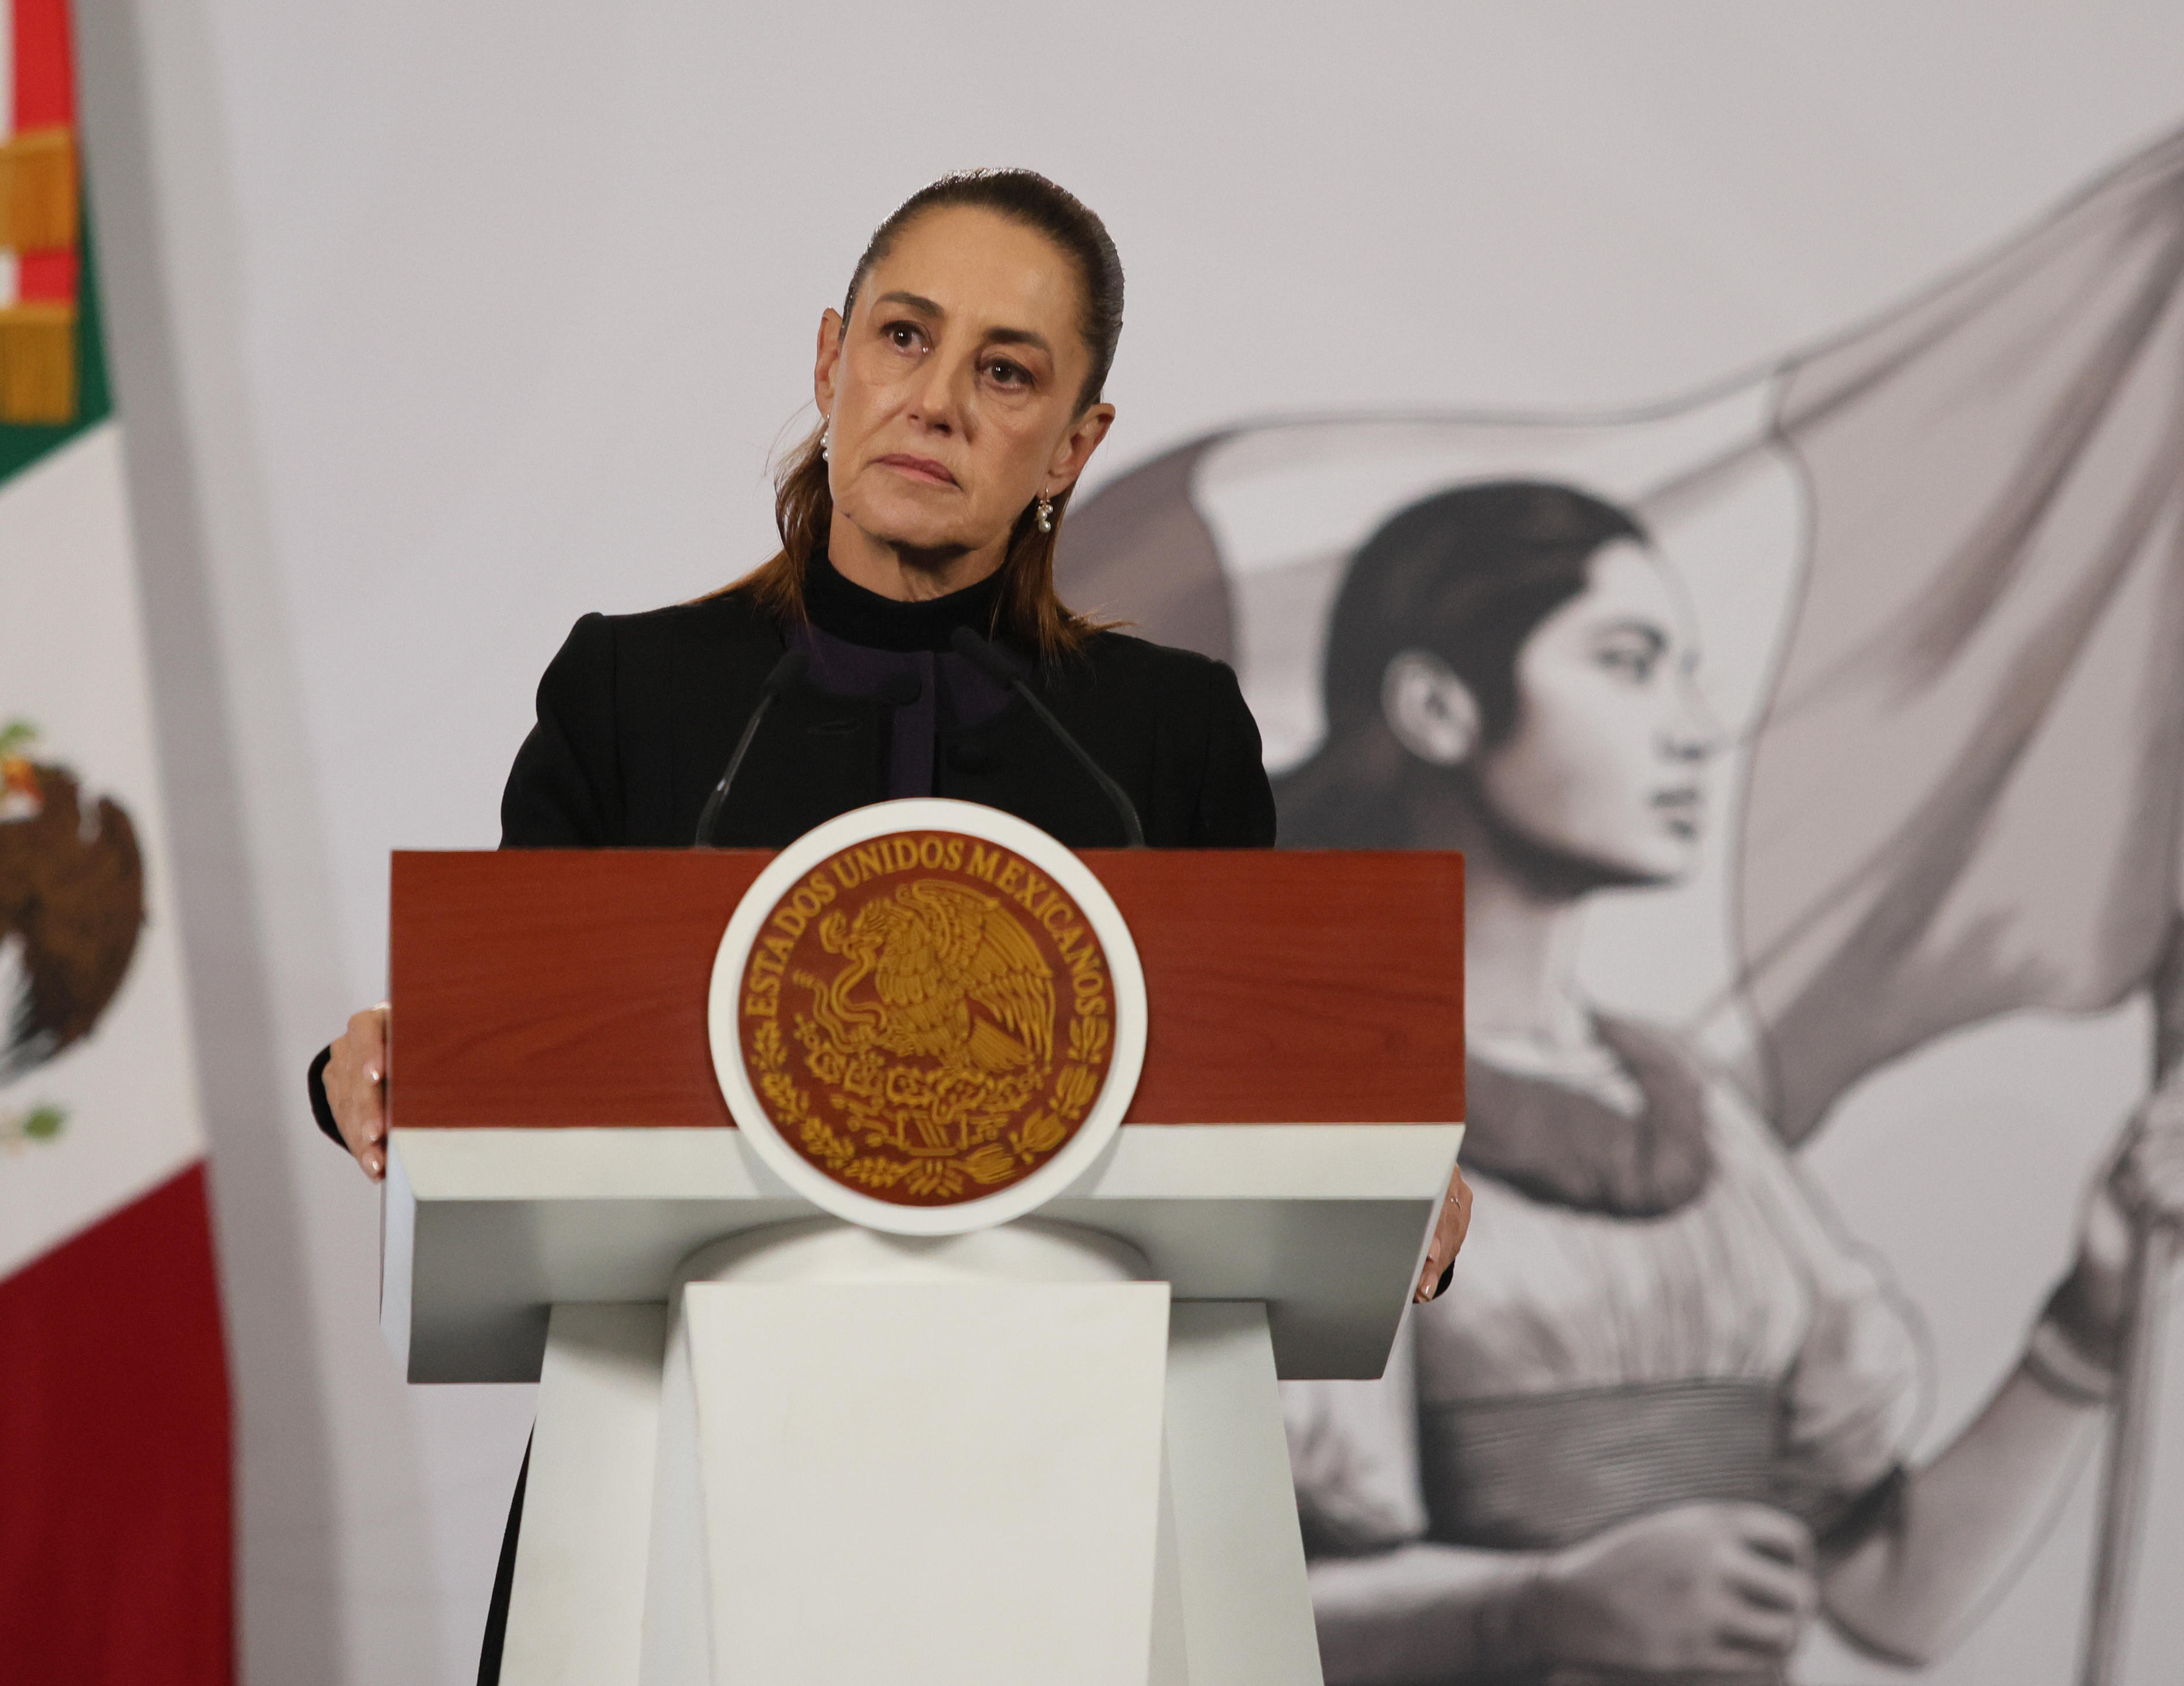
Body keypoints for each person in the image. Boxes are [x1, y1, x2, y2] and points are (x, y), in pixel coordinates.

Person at [301, 169, 1474, 1679]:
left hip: (1084, 1495)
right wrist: (380, 1074)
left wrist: (1392, 1167)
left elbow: (1258, 1079)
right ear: (828, 358)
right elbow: (515, 1055)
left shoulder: (1170, 731)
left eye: (1006, 370)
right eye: (903, 338)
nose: (936, 399)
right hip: (681, 1464)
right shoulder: (632, 693)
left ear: (1078, 440)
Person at [1273, 481, 2184, 1685]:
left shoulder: (1696, 1110)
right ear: (1437, 705)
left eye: (1685, 670)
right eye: (1627, 662)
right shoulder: (1306, 1098)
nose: (1691, 725)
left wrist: (2089, 1320)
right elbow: (1191, 1609)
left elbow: (1889, 1599)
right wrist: (1534, 1610)